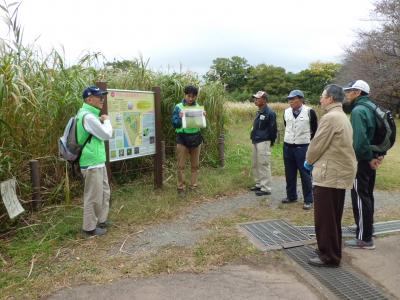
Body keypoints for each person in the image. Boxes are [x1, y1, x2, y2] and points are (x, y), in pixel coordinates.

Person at [305, 84, 357, 267]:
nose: (320, 99)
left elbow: (317, 145)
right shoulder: (342, 116)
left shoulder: (331, 117)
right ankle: (329, 249)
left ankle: (329, 257)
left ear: (330, 98)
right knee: (332, 217)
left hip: (330, 175)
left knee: (325, 218)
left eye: (322, 96)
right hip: (338, 173)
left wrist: (309, 161)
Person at [343, 80, 384, 250]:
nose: (347, 94)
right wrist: (377, 156)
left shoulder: (359, 111)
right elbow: (380, 134)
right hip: (372, 158)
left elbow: (359, 142)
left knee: (360, 196)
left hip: (362, 161)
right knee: (367, 195)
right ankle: (367, 228)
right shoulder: (372, 107)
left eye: (350, 91)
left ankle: (364, 238)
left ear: (358, 92)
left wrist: (366, 158)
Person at [77, 86, 113, 236]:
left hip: (97, 161)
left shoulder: (89, 115)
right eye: (99, 97)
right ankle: (89, 228)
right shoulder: (88, 117)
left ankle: (101, 220)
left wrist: (101, 119)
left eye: (103, 96)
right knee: (93, 196)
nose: (102, 99)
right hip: (91, 163)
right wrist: (107, 121)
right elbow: (106, 134)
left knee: (104, 192)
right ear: (89, 99)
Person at [282, 90, 318, 210]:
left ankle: (308, 199)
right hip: (288, 146)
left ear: (301, 99)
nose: (290, 101)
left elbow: (314, 129)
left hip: (303, 147)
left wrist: (309, 144)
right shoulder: (286, 112)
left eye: (293, 99)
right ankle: (291, 196)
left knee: (305, 173)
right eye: (289, 99)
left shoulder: (309, 112)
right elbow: (286, 126)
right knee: (289, 173)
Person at [172, 85, 204, 195]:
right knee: (181, 166)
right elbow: (175, 124)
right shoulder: (178, 107)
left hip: (196, 138)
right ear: (185, 95)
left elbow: (201, 124)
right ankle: (181, 188)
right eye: (188, 96)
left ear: (196, 97)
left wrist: (203, 116)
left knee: (195, 165)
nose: (190, 98)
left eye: (193, 96)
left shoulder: (199, 107)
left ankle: (193, 186)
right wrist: (180, 118)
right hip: (182, 139)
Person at [249, 91, 277, 196]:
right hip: (256, 140)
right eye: (255, 98)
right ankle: (259, 184)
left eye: (257, 98)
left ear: (264, 100)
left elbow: (273, 130)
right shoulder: (259, 111)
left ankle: (266, 188)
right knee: (256, 163)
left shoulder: (270, 113)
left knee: (264, 164)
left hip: (264, 141)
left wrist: (271, 141)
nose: (255, 100)